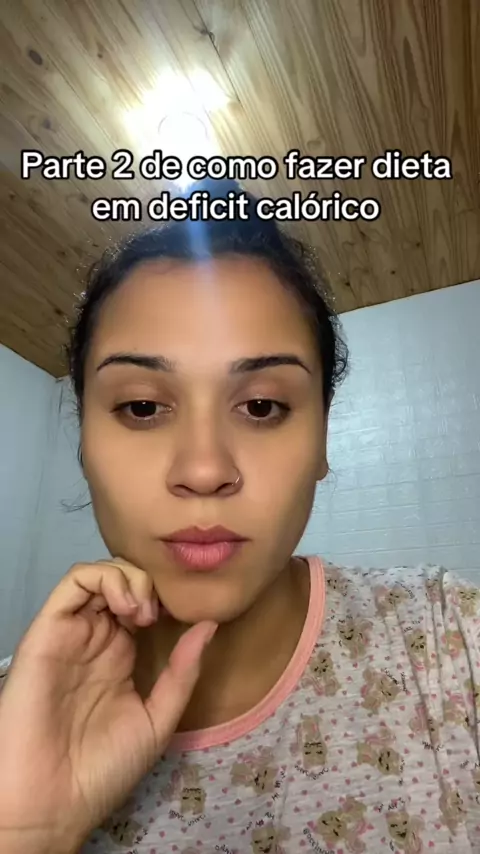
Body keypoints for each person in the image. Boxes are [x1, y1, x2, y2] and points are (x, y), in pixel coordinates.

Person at [1, 180, 479, 854]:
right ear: (83, 441)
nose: (204, 470)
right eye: (142, 407)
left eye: (261, 407)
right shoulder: (14, 715)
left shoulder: (448, 640)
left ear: (322, 441)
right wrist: (24, 833)